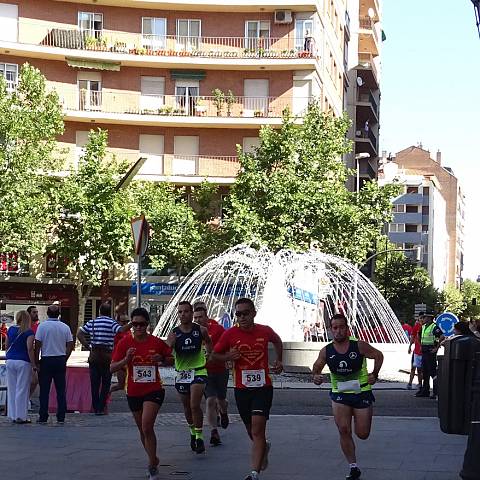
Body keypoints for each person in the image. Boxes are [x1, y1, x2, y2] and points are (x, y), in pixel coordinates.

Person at [211, 298, 283, 480]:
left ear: (254, 313)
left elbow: (277, 341)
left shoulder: (264, 331)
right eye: (238, 314)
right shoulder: (230, 334)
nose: (242, 317)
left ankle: (254, 473)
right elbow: (214, 355)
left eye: (245, 313)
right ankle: (263, 448)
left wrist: (279, 360)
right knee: (252, 431)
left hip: (263, 387)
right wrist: (228, 356)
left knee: (258, 429)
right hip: (242, 389)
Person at [312, 313, 384, 480]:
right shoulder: (326, 350)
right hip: (339, 394)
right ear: (330, 330)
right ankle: (353, 467)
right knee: (344, 430)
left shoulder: (358, 345)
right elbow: (316, 368)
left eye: (341, 327)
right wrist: (316, 377)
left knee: (363, 434)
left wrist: (375, 374)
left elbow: (378, 355)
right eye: (335, 328)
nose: (338, 331)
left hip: (361, 392)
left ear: (347, 329)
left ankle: (354, 458)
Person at [111, 307, 172, 480]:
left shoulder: (156, 342)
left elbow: (171, 359)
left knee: (147, 425)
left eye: (142, 324)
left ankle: (152, 466)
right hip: (133, 391)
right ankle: (154, 458)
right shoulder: (124, 343)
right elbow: (112, 367)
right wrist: (126, 360)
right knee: (142, 429)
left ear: (147, 324)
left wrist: (161, 359)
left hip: (154, 389)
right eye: (135, 324)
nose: (138, 328)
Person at [166, 301, 213, 454]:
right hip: (182, 373)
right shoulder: (174, 333)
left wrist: (209, 353)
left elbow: (209, 342)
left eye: (186, 311)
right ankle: (192, 432)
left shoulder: (201, 330)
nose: (183, 314)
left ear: (192, 313)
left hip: (198, 371)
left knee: (194, 404)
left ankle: (199, 437)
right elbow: (166, 351)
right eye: (180, 312)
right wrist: (168, 349)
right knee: (187, 407)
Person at [77, 302, 133, 415]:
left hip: (94, 355)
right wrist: (133, 323)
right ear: (110, 312)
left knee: (94, 383)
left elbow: (79, 334)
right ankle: (101, 407)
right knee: (106, 382)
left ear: (99, 311)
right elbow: (121, 330)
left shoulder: (92, 322)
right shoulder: (112, 323)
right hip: (107, 356)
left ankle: (95, 406)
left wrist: (88, 345)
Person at [193, 304, 229, 446]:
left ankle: (224, 412)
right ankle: (214, 431)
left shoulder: (217, 329)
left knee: (221, 400)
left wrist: (228, 358)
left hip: (220, 370)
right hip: (204, 371)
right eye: (195, 317)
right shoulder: (191, 331)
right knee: (210, 400)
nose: (198, 320)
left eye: (200, 317)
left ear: (206, 316)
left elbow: (226, 345)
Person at [34, 304, 74, 424]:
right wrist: (65, 357)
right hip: (60, 359)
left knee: (44, 390)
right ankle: (61, 416)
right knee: (61, 390)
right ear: (59, 314)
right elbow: (70, 345)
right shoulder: (65, 327)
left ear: (47, 313)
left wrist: (37, 361)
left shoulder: (42, 327)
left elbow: (37, 346)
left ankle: (43, 415)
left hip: (46, 359)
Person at [5, 310, 36, 423]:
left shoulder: (11, 329)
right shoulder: (29, 332)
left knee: (12, 388)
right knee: (22, 389)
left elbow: (7, 345)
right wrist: (33, 364)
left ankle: (13, 415)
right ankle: (21, 416)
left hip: (10, 360)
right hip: (23, 361)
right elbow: (29, 349)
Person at [415, 311, 443, 399]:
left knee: (432, 372)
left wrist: (436, 348)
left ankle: (436, 392)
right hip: (424, 350)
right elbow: (419, 336)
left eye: (425, 317)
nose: (423, 318)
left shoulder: (434, 327)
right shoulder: (423, 326)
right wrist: (421, 345)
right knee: (425, 371)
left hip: (430, 351)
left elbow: (441, 336)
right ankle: (425, 391)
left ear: (430, 318)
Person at [110, 314, 132, 393]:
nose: (126, 323)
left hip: (128, 360)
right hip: (119, 360)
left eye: (127, 321)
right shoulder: (117, 331)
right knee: (121, 385)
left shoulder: (128, 331)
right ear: (118, 322)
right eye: (123, 322)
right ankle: (105, 395)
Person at [27, 306, 40, 402]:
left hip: (34, 355)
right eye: (34, 312)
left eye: (37, 312)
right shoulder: (25, 327)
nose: (36, 314)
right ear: (29, 314)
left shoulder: (38, 327)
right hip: (26, 356)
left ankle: (26, 398)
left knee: (34, 381)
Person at [407, 317, 423, 390]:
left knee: (420, 369)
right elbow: (412, 337)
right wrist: (410, 346)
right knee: (413, 368)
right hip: (416, 351)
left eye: (423, 318)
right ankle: (410, 383)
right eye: (420, 318)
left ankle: (420, 384)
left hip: (423, 352)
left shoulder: (427, 327)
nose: (422, 320)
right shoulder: (417, 326)